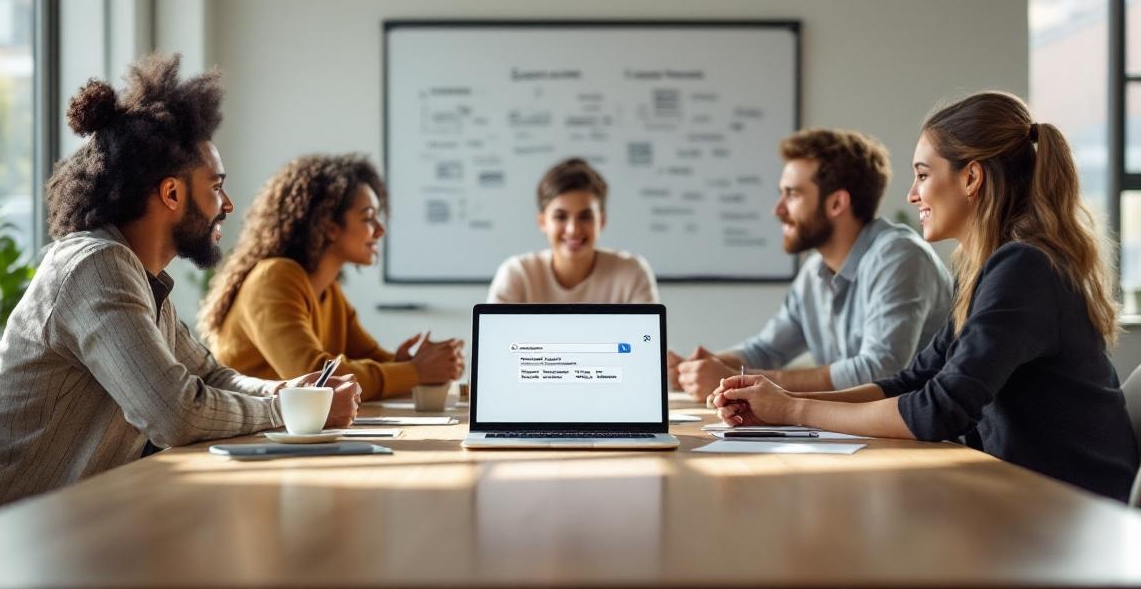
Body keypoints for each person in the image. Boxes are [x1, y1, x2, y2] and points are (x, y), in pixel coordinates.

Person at [0, 54, 361, 517]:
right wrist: (290, 409)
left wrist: (283, 391)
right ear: (171, 194)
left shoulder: (137, 275)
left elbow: (209, 375)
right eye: (216, 187)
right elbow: (173, 414)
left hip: (69, 526)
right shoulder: (96, 266)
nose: (227, 205)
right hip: (7, 536)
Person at [711, 92, 1139, 501]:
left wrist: (793, 411)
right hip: (1023, 494)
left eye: (922, 174)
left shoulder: (1024, 268)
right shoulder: (986, 268)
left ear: (971, 177)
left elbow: (939, 411)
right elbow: (912, 381)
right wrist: (782, 406)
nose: (912, 194)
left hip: (1070, 510)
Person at [671, 129, 952, 400]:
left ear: (836, 203)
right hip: (861, 434)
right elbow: (767, 349)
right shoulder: (815, 271)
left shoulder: (899, 256)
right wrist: (694, 370)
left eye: (792, 194)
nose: (778, 209)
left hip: (925, 442)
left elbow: (879, 370)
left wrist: (742, 381)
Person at [198, 154, 464, 400]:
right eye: (368, 217)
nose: (380, 230)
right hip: (246, 439)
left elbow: (368, 357)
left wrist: (410, 364)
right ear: (329, 227)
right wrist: (415, 371)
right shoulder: (274, 278)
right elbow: (314, 378)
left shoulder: (328, 290)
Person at [486, 157, 660, 303]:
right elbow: (491, 342)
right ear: (542, 222)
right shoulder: (517, 274)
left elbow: (648, 341)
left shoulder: (632, 273)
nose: (573, 229)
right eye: (560, 217)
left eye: (585, 216)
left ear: (602, 220)